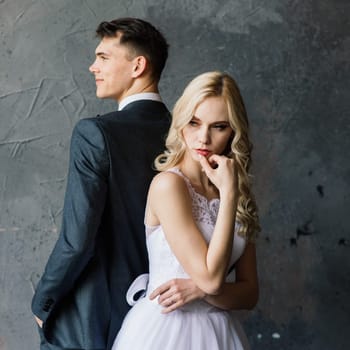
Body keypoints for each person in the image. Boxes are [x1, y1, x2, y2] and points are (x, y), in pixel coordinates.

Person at [31, 18, 170, 350]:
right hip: (166, 316)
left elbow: (77, 240)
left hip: (95, 318)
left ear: (138, 65)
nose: (93, 67)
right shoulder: (187, 135)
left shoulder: (95, 134)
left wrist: (43, 303)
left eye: (104, 57)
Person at [112, 71, 260, 350]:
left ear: (233, 132)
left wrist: (198, 291)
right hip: (165, 330)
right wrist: (208, 288)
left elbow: (250, 293)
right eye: (194, 122)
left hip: (220, 333)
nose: (203, 138)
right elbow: (212, 280)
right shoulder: (169, 185)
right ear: (180, 123)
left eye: (219, 127)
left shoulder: (236, 192)